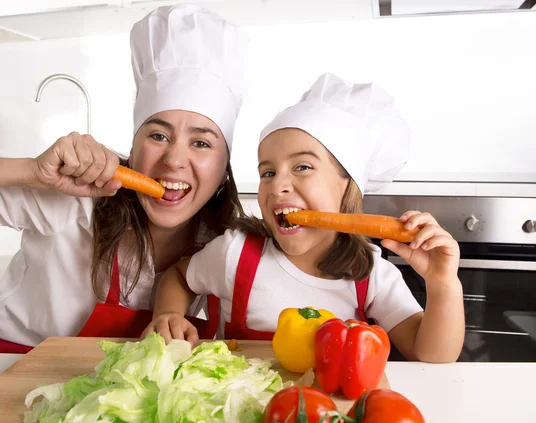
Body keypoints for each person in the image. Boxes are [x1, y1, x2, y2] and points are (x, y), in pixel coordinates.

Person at [0, 4, 250, 353]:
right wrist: (30, 171)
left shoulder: (225, 246)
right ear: (132, 146)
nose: (174, 159)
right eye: (158, 136)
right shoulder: (75, 197)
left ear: (224, 172)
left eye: (201, 142)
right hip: (5, 372)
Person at [143, 73, 465, 363]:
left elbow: (431, 353)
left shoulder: (372, 275)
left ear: (347, 187)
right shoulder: (235, 254)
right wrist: (169, 313)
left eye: (302, 167)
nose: (277, 186)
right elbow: (180, 277)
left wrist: (442, 284)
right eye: (267, 172)